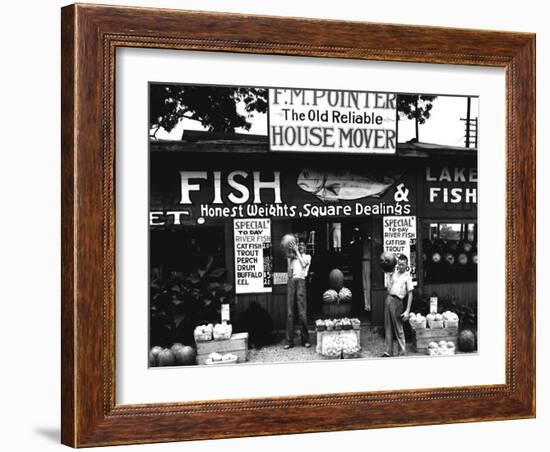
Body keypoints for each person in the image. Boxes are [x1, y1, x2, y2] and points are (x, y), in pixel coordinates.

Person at [383, 254, 414, 357]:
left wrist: (407, 311)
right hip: (389, 299)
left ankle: (402, 352)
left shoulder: (407, 277)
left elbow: (410, 294)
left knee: (399, 328)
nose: (401, 266)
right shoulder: (394, 274)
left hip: (398, 302)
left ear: (406, 265)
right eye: (399, 264)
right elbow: (388, 288)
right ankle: (388, 352)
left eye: (403, 265)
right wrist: (388, 276)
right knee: (388, 327)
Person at [284, 239, 312, 349]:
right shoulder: (293, 258)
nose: (300, 246)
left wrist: (297, 252)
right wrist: (289, 260)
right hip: (291, 282)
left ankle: (305, 340)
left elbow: (304, 265)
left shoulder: (307, 257)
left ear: (305, 248)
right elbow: (289, 273)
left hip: (301, 281)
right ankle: (289, 341)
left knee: (302, 312)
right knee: (290, 313)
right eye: (298, 245)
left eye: (302, 245)